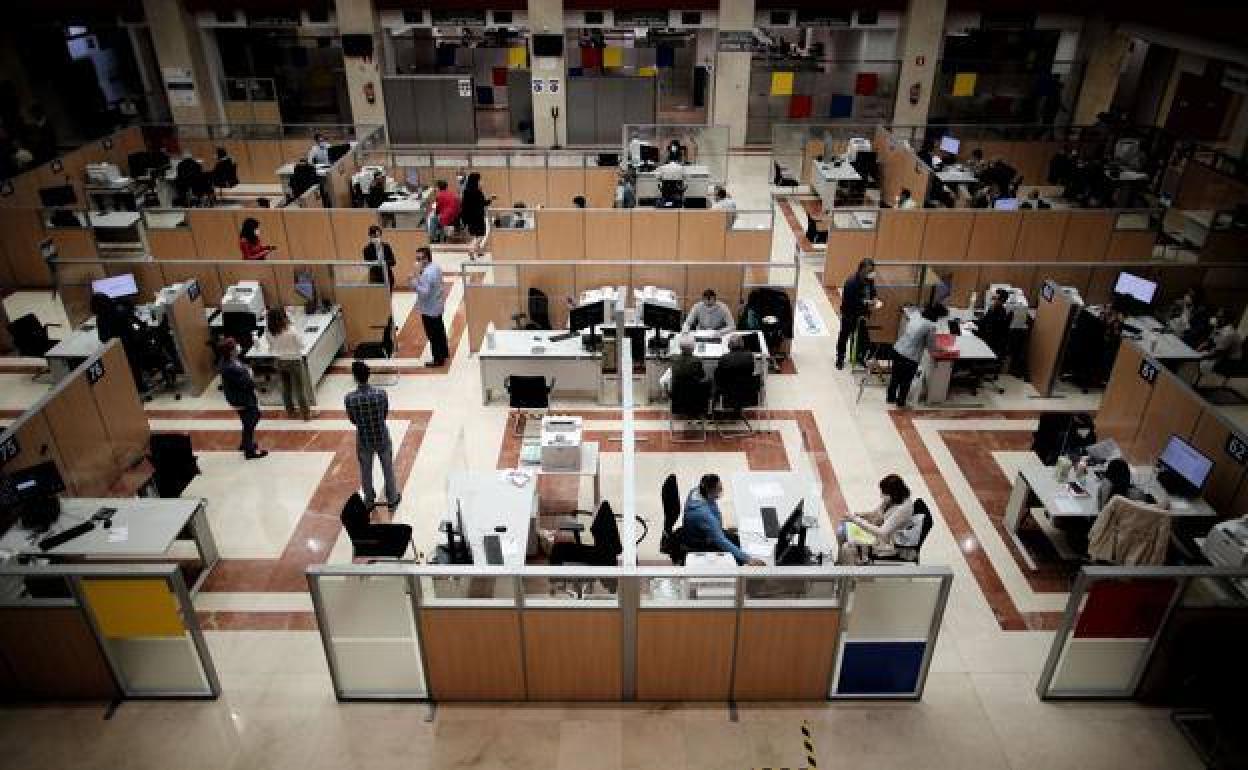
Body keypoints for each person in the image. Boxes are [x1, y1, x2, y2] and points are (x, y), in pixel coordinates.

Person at [344, 361, 400, 511]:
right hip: (381, 436)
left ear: (355, 377)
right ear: (369, 375)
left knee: (366, 471)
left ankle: (368, 501)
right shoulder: (381, 394)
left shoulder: (350, 398)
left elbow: (352, 420)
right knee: (388, 468)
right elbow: (384, 414)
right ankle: (393, 499)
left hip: (364, 439)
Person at [680, 474, 765, 566]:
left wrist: (718, 527)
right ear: (710, 492)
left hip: (704, 532)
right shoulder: (703, 514)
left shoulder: (696, 491)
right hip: (701, 543)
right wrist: (748, 559)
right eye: (719, 489)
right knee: (738, 556)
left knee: (738, 539)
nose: (721, 491)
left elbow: (714, 511)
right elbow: (720, 541)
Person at [838, 474, 920, 564]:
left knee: (847, 547)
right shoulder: (892, 499)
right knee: (842, 530)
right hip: (881, 534)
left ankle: (851, 574)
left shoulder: (903, 509)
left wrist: (857, 520)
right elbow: (877, 514)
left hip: (888, 544)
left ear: (893, 493)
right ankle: (841, 563)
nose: (881, 496)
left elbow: (882, 532)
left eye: (884, 493)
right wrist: (861, 515)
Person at [888, 303, 948, 407]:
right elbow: (931, 347)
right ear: (937, 315)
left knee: (895, 376)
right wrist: (942, 349)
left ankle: (890, 398)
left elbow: (908, 311)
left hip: (898, 349)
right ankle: (901, 402)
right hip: (910, 356)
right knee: (906, 381)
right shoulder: (930, 326)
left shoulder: (916, 316)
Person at [219, 338, 267, 459]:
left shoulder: (230, 361)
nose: (238, 347)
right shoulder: (230, 367)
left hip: (240, 396)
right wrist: (249, 373)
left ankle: (245, 443)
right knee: (251, 420)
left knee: (248, 420)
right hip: (241, 398)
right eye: (235, 346)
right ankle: (249, 451)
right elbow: (246, 382)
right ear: (231, 351)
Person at [91, 292, 145, 391]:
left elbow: (102, 338)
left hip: (117, 349)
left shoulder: (100, 318)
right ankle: (140, 385)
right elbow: (137, 324)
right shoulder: (120, 312)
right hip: (131, 346)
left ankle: (136, 386)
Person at [265, 307, 310, 421]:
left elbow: (271, 346)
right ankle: (306, 414)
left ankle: (290, 412)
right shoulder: (291, 330)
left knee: (286, 387)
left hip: (279, 361)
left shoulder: (269, 331)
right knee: (300, 388)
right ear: (283, 317)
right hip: (294, 361)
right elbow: (302, 345)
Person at [836, 258, 879, 369]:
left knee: (863, 338)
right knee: (844, 336)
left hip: (862, 315)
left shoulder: (869, 280)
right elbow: (850, 301)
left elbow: (873, 291)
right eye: (869, 270)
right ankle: (840, 358)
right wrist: (866, 302)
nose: (871, 273)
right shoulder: (851, 282)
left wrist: (874, 298)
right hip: (849, 314)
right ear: (862, 269)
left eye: (872, 270)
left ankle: (859, 357)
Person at [411, 247, 449, 367]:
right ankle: (444, 352)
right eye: (416, 258)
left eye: (419, 259)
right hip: (437, 305)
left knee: (433, 335)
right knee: (440, 331)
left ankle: (438, 359)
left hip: (429, 309)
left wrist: (413, 282)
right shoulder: (435, 267)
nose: (417, 262)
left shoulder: (427, 273)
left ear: (426, 258)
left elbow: (424, 292)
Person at [1199, 308, 1243, 377]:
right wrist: (1198, 349)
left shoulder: (1228, 333)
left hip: (1230, 361)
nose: (1215, 318)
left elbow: (1217, 353)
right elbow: (1209, 341)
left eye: (1218, 317)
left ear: (1224, 319)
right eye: (1216, 316)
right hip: (1220, 353)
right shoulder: (1219, 326)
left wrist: (1200, 356)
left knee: (1204, 361)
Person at [460, 172, 492, 259]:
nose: (481, 181)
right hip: (478, 217)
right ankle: (472, 250)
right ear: (476, 180)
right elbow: (484, 203)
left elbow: (463, 205)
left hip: (469, 218)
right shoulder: (477, 192)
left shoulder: (466, 191)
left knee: (476, 235)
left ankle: (479, 252)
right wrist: (491, 199)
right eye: (479, 180)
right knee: (481, 235)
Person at [362, 225, 396, 289]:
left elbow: (393, 262)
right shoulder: (366, 249)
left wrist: (384, 262)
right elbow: (368, 264)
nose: (377, 238)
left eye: (378, 236)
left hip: (388, 276)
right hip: (375, 278)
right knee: (377, 297)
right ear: (370, 236)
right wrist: (377, 263)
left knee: (388, 298)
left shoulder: (386, 246)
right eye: (374, 236)